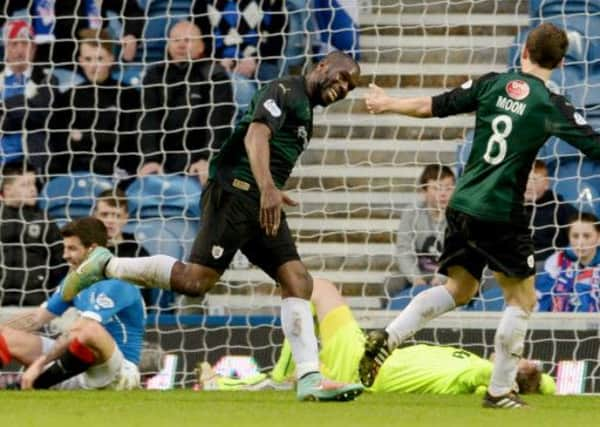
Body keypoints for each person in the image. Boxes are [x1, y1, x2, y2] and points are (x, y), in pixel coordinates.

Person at [59, 51, 363, 402]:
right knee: (195, 282)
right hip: (234, 193)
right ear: (322, 66)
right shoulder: (284, 89)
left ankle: (310, 377)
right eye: (340, 77)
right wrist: (267, 187)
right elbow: (255, 135)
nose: (342, 87)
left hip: (261, 202)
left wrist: (270, 190)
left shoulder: (305, 110)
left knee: (298, 280)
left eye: (349, 86)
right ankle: (106, 264)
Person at [361, 22, 600, 408]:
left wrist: (388, 102)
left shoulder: (492, 84)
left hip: (461, 206)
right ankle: (500, 390)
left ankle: (388, 337)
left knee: (461, 289)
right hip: (501, 212)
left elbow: (430, 106)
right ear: (559, 62)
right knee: (522, 300)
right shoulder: (550, 105)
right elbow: (594, 146)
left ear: (523, 50)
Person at [199, 278, 556, 396]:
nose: (521, 356)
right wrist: (535, 378)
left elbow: (502, 383)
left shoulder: (478, 377)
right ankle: (229, 386)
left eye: (518, 359)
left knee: (312, 288)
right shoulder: (487, 371)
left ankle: (276, 382)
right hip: (368, 354)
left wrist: (514, 379)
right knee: (313, 290)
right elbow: (546, 384)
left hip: (365, 369)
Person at [0, 217, 145, 390]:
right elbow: (37, 318)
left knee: (89, 330)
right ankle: (35, 384)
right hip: (77, 367)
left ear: (92, 250)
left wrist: (39, 364)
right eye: (65, 248)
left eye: (72, 249)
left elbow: (83, 330)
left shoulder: (118, 281)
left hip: (117, 374)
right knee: (6, 335)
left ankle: (36, 382)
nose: (65, 255)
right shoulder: (74, 282)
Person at [138, 20, 235, 186]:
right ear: (168, 45)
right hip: (163, 157)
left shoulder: (214, 75)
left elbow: (219, 123)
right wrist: (150, 159)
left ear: (201, 46)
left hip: (198, 158)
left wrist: (207, 159)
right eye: (175, 40)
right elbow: (149, 119)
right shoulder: (154, 75)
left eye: (188, 40)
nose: (181, 45)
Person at [48, 28, 141, 177]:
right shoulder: (67, 98)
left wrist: (83, 136)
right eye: (88, 59)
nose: (93, 66)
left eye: (99, 59)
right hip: (76, 172)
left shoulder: (129, 96)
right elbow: (61, 144)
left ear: (111, 59)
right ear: (80, 61)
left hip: (117, 172)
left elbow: (127, 140)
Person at [0, 164, 66, 307]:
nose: (33, 189)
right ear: (7, 189)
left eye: (34, 184)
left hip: (35, 301)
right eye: (25, 185)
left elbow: (60, 261)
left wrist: (44, 284)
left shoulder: (45, 220)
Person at [0, 19, 58, 174]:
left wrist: (3, 108)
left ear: (33, 48)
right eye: (14, 44)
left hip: (32, 162)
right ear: (5, 48)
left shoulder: (46, 79)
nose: (20, 51)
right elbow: (29, 112)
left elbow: (40, 113)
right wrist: (23, 108)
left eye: (25, 44)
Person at [394, 164, 455, 290]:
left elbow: (460, 253)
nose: (443, 194)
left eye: (448, 188)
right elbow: (404, 250)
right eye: (437, 188)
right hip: (420, 273)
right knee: (392, 283)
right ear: (424, 191)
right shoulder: (412, 213)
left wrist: (442, 276)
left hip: (452, 274)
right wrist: (416, 279)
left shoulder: (461, 216)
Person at [536, 212, 600, 312]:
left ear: (598, 238)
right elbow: (541, 297)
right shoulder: (557, 261)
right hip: (558, 324)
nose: (580, 242)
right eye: (575, 236)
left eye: (587, 236)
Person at [524, 160, 578, 264]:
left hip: (547, 263)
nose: (529, 185)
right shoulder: (508, 207)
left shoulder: (559, 207)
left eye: (534, 180)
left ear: (546, 183)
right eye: (525, 179)